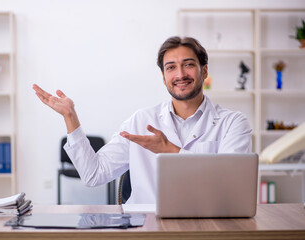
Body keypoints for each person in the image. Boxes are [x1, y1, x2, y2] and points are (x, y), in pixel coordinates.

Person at [33, 36, 252, 204]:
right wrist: (71, 118)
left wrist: (172, 151)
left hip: (208, 226)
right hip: (145, 227)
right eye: (171, 67)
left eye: (188, 64)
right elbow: (94, 175)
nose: (180, 74)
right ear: (164, 78)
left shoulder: (233, 123)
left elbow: (230, 186)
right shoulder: (141, 120)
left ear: (204, 71)